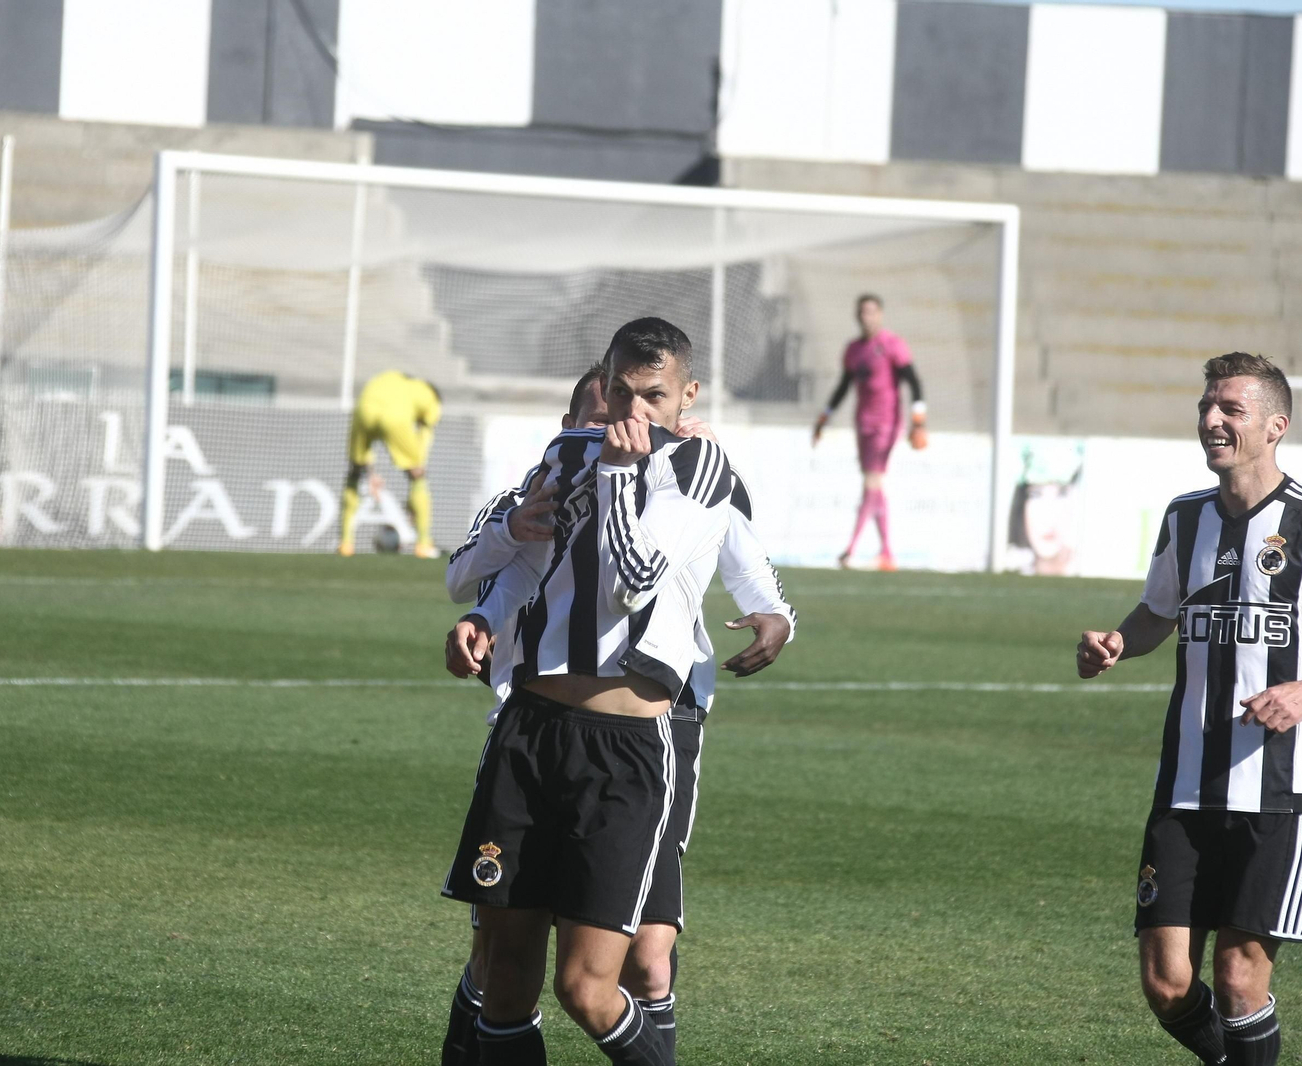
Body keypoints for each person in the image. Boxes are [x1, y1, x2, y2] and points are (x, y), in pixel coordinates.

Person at [440, 369, 796, 1065]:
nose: (623, 425)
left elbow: (742, 555)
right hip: (533, 724)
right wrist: (482, 612)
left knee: (645, 961)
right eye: (599, 416)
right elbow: (484, 572)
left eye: (640, 408)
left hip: (656, 728)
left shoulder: (693, 473)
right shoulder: (549, 481)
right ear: (571, 422)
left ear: (679, 401)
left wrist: (775, 614)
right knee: (499, 957)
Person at [1076, 352, 1302, 1066]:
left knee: (1237, 977)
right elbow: (1157, 612)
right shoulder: (1185, 517)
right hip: (1186, 784)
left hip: (1281, 790)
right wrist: (1117, 641)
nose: (1211, 420)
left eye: (1231, 409)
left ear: (1274, 426)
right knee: (1168, 985)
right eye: (1207, 407)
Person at [812, 293, 926, 570]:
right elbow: (844, 386)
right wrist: (824, 417)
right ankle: (886, 552)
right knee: (874, 486)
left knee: (871, 482)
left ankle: (851, 550)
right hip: (863, 422)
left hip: (886, 422)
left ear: (880, 315)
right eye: (863, 312)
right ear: (857, 316)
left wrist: (918, 419)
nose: (867, 317)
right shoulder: (854, 350)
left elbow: (914, 381)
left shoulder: (892, 345)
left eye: (872, 312)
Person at [338, 369, 442, 558]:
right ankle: (423, 544)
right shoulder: (430, 395)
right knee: (418, 476)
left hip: (363, 409)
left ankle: (345, 543)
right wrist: (417, 466)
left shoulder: (393, 379)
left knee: (354, 472)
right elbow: (426, 432)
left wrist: (371, 474)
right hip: (395, 416)